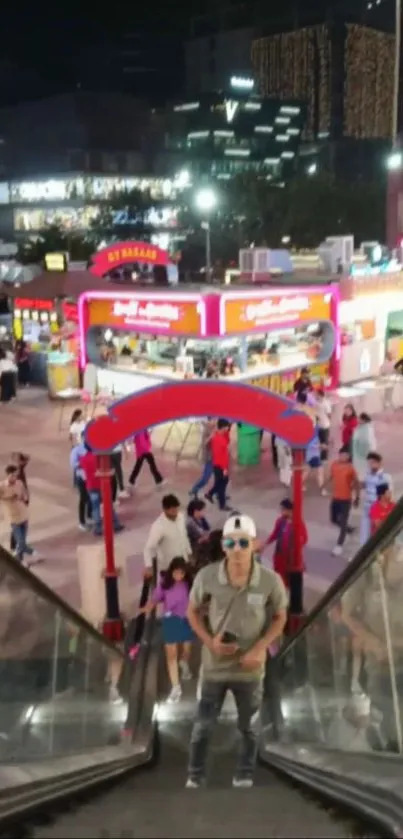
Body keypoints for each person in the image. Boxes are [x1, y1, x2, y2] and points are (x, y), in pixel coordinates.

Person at [186, 513, 287, 789]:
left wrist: (260, 647)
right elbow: (192, 612)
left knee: (250, 727)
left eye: (243, 543)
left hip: (251, 670)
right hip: (214, 667)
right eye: (231, 544)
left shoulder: (270, 580)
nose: (237, 550)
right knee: (203, 726)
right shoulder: (208, 577)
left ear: (254, 544)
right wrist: (210, 642)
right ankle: (195, 775)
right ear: (223, 547)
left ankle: (244, 773)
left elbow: (280, 616)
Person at [139, 556, 194, 703]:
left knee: (187, 650)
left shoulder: (190, 583)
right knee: (171, 655)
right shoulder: (165, 584)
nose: (179, 576)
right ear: (171, 571)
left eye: (182, 573)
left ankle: (185, 664)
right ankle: (176, 687)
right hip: (171, 620)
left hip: (187, 619)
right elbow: (155, 599)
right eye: (176, 573)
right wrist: (146, 608)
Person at [263, 499, 308, 602]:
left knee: (290, 580)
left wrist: (298, 541)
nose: (281, 511)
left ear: (290, 510)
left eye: (283, 509)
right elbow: (275, 534)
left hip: (291, 558)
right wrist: (265, 544)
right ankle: (279, 597)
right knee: (279, 578)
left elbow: (304, 539)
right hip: (280, 556)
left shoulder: (298, 523)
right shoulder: (280, 521)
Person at [79, 445, 123, 537]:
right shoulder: (98, 457)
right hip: (101, 485)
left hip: (91, 486)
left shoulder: (83, 459)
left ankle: (98, 528)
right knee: (109, 505)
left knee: (95, 509)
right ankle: (115, 525)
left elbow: (82, 468)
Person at [0, 465, 40, 565]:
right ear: (8, 475)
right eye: (12, 475)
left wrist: (24, 498)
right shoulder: (2, 486)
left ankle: (20, 559)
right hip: (13, 517)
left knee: (22, 540)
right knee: (20, 541)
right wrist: (10, 498)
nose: (14, 477)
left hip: (23, 514)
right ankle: (32, 553)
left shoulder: (19, 483)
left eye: (15, 475)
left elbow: (24, 494)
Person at [144, 494, 192, 576]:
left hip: (183, 561)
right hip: (169, 567)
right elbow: (149, 547)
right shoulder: (158, 526)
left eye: (176, 509)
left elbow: (184, 536)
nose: (176, 512)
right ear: (165, 509)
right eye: (172, 510)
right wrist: (149, 566)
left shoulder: (181, 517)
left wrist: (189, 552)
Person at [327, 446, 360, 556]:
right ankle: (348, 529)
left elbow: (356, 483)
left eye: (345, 455)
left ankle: (339, 545)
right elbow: (331, 476)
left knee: (344, 520)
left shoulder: (350, 468)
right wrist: (324, 484)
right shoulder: (334, 465)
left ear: (349, 457)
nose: (343, 457)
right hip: (335, 498)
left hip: (346, 499)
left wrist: (357, 498)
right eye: (341, 455)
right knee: (333, 519)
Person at [360, 453, 392, 546]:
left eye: (373, 463)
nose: (370, 465)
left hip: (377, 506)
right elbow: (365, 485)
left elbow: (388, 495)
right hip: (367, 505)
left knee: (377, 531)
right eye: (369, 463)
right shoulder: (368, 474)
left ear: (379, 463)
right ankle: (362, 552)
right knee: (364, 531)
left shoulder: (385, 477)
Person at [205, 419, 231, 511]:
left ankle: (211, 494)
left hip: (220, 465)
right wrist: (224, 468)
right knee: (222, 484)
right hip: (220, 465)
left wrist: (227, 433)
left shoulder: (220, 435)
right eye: (227, 426)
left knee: (221, 483)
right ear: (223, 427)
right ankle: (222, 504)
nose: (228, 428)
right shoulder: (218, 439)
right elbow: (220, 455)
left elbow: (228, 442)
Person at [70, 436, 92, 530]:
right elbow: (73, 464)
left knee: (91, 497)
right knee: (83, 499)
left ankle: (89, 516)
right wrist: (84, 463)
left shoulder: (93, 447)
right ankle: (82, 522)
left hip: (91, 477)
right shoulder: (76, 450)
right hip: (82, 477)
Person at [189, 418, 215, 497]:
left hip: (215, 457)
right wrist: (211, 436)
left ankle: (220, 493)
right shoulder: (206, 430)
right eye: (214, 420)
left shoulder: (214, 428)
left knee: (221, 477)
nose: (215, 421)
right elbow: (204, 443)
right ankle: (194, 489)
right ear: (210, 420)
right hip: (209, 458)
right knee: (205, 478)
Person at [352, 413, 377, 483]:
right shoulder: (363, 427)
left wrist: (364, 451)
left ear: (364, 420)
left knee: (364, 467)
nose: (358, 420)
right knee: (364, 467)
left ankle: (365, 481)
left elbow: (367, 441)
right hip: (362, 450)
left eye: (359, 418)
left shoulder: (366, 428)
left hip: (363, 451)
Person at [303, 423, 326, 494]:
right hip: (314, 456)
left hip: (310, 456)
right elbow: (311, 445)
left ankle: (300, 485)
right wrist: (321, 446)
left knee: (306, 471)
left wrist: (321, 446)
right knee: (320, 472)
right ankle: (322, 490)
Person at [315, 388, 332, 463]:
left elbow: (329, 414)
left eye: (316, 394)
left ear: (320, 395)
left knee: (324, 442)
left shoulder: (326, 403)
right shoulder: (316, 402)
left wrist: (328, 421)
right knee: (321, 441)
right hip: (319, 425)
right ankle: (321, 455)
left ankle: (324, 458)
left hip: (325, 425)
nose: (315, 395)